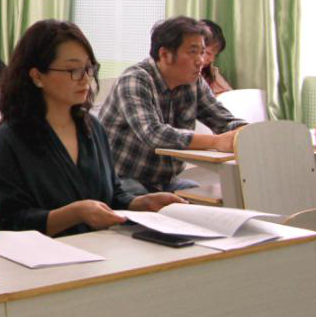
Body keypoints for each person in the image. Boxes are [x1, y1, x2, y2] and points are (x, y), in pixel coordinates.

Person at [0, 20, 185, 235]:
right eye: (73, 70)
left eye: (89, 68)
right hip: (46, 251)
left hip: (99, 246)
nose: (85, 79)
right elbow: (12, 222)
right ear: (37, 76)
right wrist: (75, 214)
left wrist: (141, 203)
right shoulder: (11, 137)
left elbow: (113, 197)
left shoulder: (92, 127)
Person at [100, 17, 247, 195]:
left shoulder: (194, 82)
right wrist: (216, 142)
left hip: (164, 181)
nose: (201, 61)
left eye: (202, 52)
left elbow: (224, 121)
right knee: (146, 201)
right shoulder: (135, 79)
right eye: (193, 52)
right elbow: (154, 134)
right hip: (118, 178)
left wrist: (246, 133)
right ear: (165, 55)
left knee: (197, 195)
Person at [201, 19, 233, 95]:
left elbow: (230, 94)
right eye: (208, 53)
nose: (212, 59)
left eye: (215, 55)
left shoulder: (210, 72)